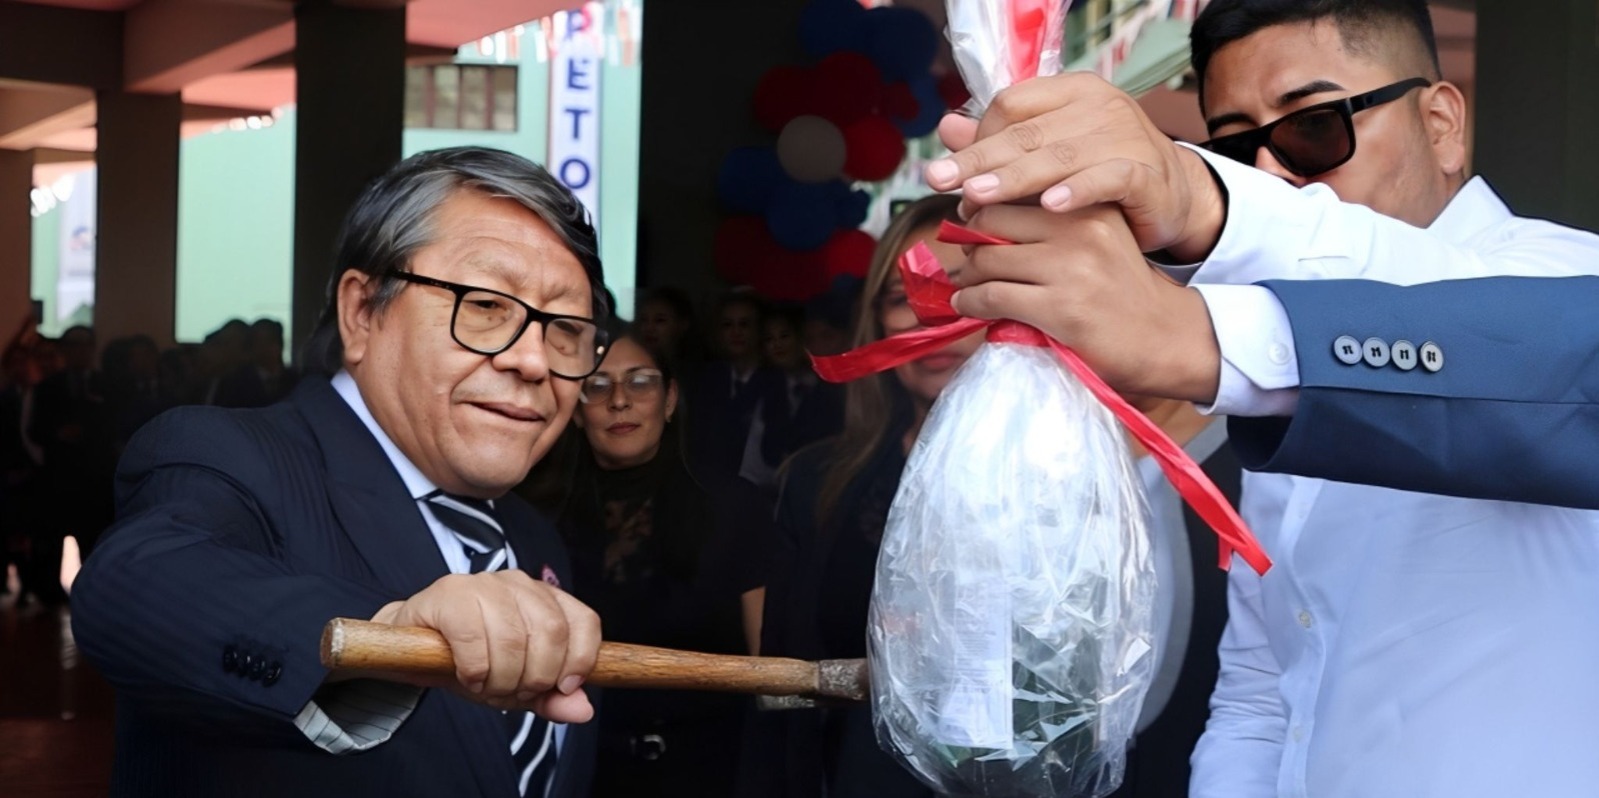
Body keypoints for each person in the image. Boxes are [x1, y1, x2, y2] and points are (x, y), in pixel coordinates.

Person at [924, 1, 1599, 796]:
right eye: (1236, 150)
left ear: (1441, 124)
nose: (1273, 174)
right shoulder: (1274, 376)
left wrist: (1202, 220)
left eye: (1314, 129)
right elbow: (1262, 691)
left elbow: (1528, 346)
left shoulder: (1563, 274)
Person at [70, 147, 610, 798]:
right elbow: (137, 587)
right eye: (487, 306)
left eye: (565, 329)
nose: (534, 361)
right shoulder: (228, 456)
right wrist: (386, 636)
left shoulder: (531, 538)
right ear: (361, 312)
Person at [746, 194, 980, 798]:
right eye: (904, 296)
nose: (932, 314)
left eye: (960, 287)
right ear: (876, 323)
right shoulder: (813, 483)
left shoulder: (1071, 481)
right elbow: (781, 692)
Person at [524, 333, 769, 797]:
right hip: (576, 769)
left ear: (670, 399)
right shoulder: (536, 520)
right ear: (575, 410)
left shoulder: (734, 507)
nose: (619, 401)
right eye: (597, 386)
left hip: (710, 771)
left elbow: (767, 667)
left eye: (640, 382)